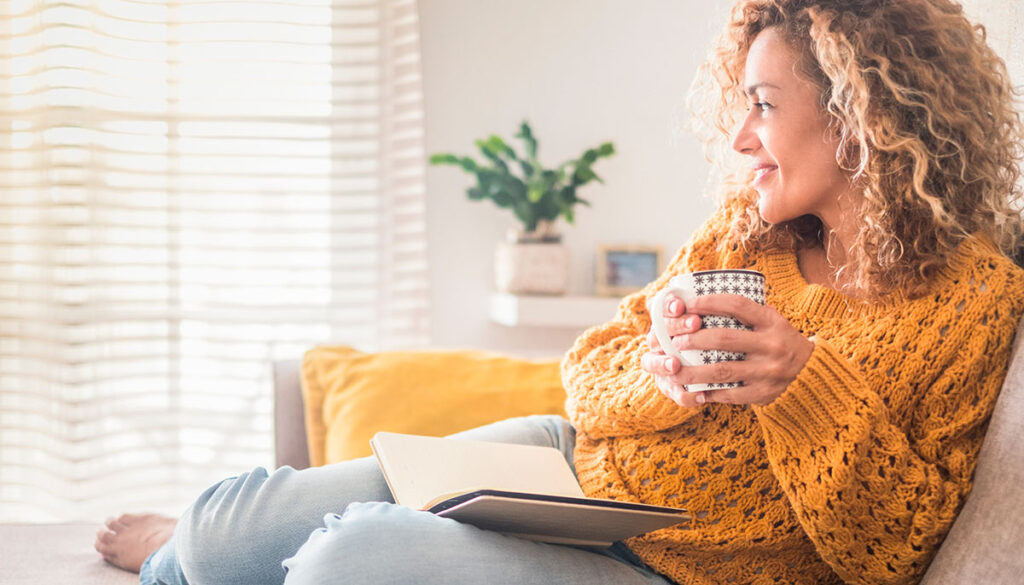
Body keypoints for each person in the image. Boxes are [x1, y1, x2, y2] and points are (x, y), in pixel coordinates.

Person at [96, 0, 1024, 583]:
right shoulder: (749, 231)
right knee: (224, 528)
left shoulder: (975, 303)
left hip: (677, 568)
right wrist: (662, 371)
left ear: (863, 116)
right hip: (565, 468)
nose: (740, 137)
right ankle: (189, 556)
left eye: (764, 105)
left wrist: (801, 386)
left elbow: (898, 551)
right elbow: (586, 374)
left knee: (345, 558)